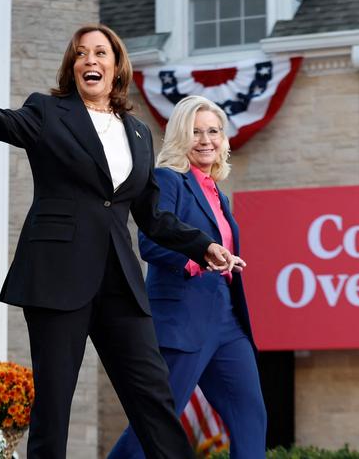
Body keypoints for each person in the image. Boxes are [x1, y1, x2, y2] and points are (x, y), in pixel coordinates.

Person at [0, 0, 237, 459]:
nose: (89, 60)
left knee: (153, 398)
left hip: (119, 282)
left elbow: (150, 215)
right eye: (80, 54)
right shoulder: (48, 113)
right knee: (54, 407)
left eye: (100, 53)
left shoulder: (137, 133)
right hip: (57, 277)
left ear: (116, 67)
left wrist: (203, 244)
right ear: (73, 67)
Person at [108, 95, 267, 459]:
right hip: (182, 320)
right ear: (181, 136)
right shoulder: (168, 180)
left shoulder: (218, 195)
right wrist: (200, 259)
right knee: (156, 422)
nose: (206, 139)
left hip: (227, 321)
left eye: (213, 131)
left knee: (250, 415)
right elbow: (150, 242)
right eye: (196, 132)